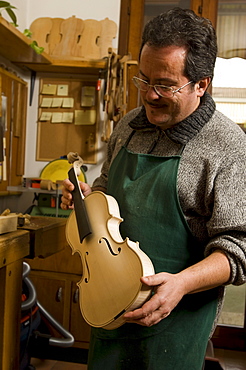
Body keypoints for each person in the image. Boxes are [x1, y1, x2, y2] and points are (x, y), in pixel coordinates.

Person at [61, 7, 246, 370]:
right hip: (107, 305)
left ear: (201, 84)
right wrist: (85, 201)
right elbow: (104, 188)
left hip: (175, 321)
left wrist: (181, 284)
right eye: (143, 80)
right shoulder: (129, 124)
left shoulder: (229, 147)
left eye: (164, 84)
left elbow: (240, 248)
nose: (150, 95)